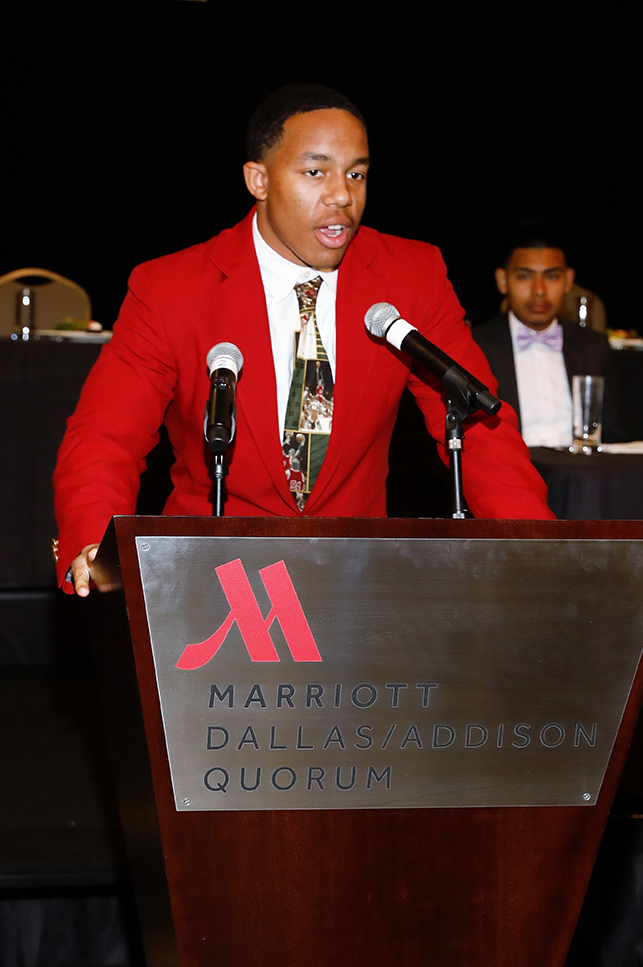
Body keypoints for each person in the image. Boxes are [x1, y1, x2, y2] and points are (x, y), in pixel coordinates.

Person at [54, 84, 554, 596]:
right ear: (259, 180)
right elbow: (106, 433)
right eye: (316, 172)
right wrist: (92, 538)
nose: (342, 194)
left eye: (356, 173)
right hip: (207, 587)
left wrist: (540, 547)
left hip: (356, 588)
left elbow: (477, 424)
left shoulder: (411, 277)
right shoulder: (171, 288)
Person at [472, 221, 618, 448]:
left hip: (580, 477)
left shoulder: (594, 347)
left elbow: (613, 434)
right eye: (524, 276)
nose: (539, 290)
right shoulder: (475, 345)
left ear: (568, 280)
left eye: (551, 277)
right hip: (509, 476)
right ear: (502, 280)